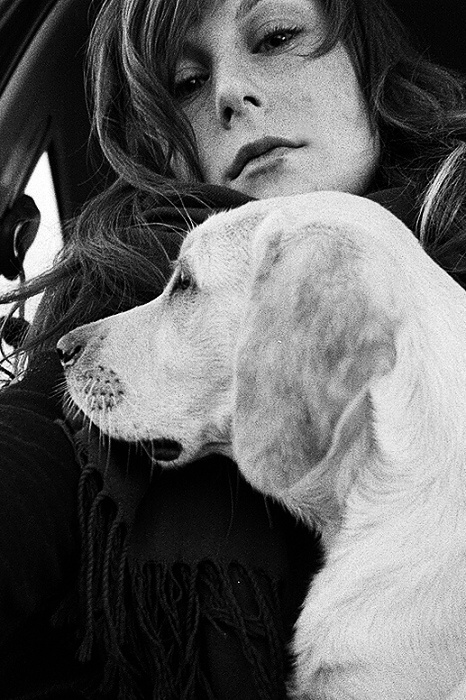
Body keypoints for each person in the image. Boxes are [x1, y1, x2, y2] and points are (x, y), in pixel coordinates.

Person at [0, 0, 465, 697]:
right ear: (167, 141)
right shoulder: (117, 285)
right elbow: (32, 445)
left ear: (363, 59)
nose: (229, 93)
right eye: (187, 82)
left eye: (276, 36)